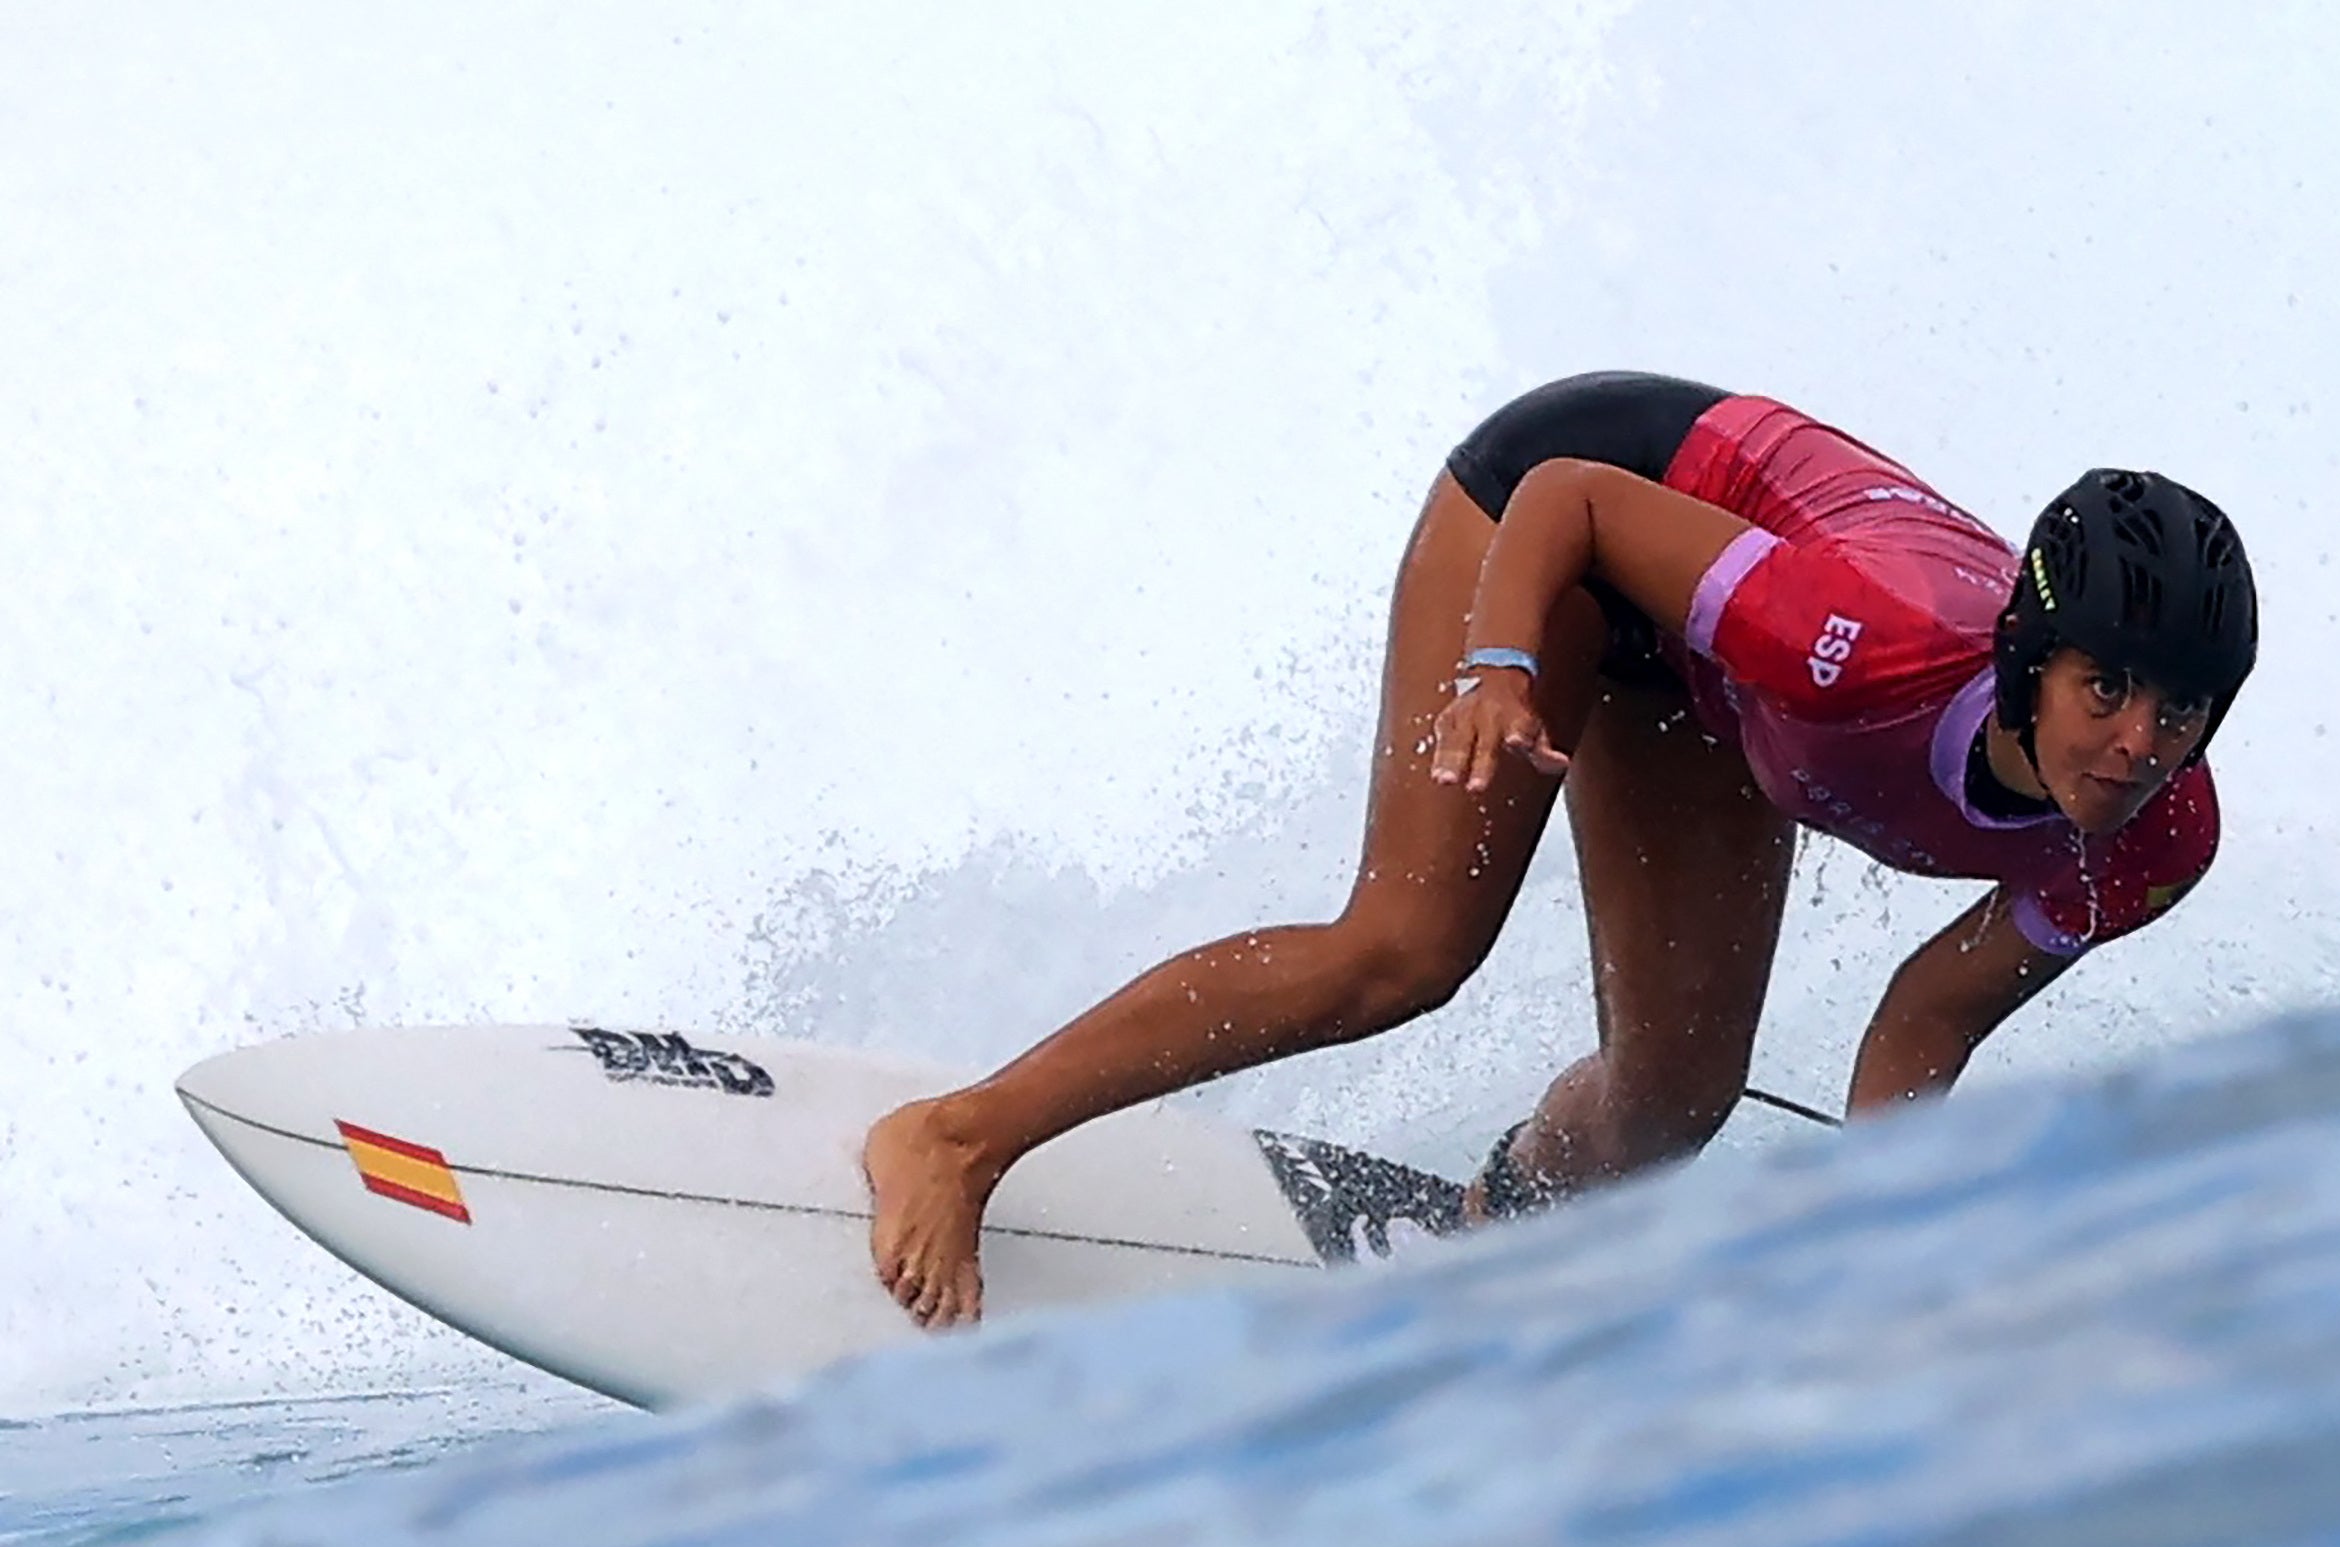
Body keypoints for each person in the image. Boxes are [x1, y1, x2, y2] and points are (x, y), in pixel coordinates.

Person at [864, 372, 2259, 1326]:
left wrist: (1876, 1243)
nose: (2138, 743)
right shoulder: (1861, 643)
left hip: (1707, 673)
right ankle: (956, 1138)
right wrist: (1499, 666)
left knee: (1672, 1105)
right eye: (2107, 692)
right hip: (1575, 516)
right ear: (2032, 663)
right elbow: (1576, 498)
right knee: (1404, 951)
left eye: (2179, 712)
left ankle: (1494, 1228)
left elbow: (1921, 1029)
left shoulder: (2147, 849)